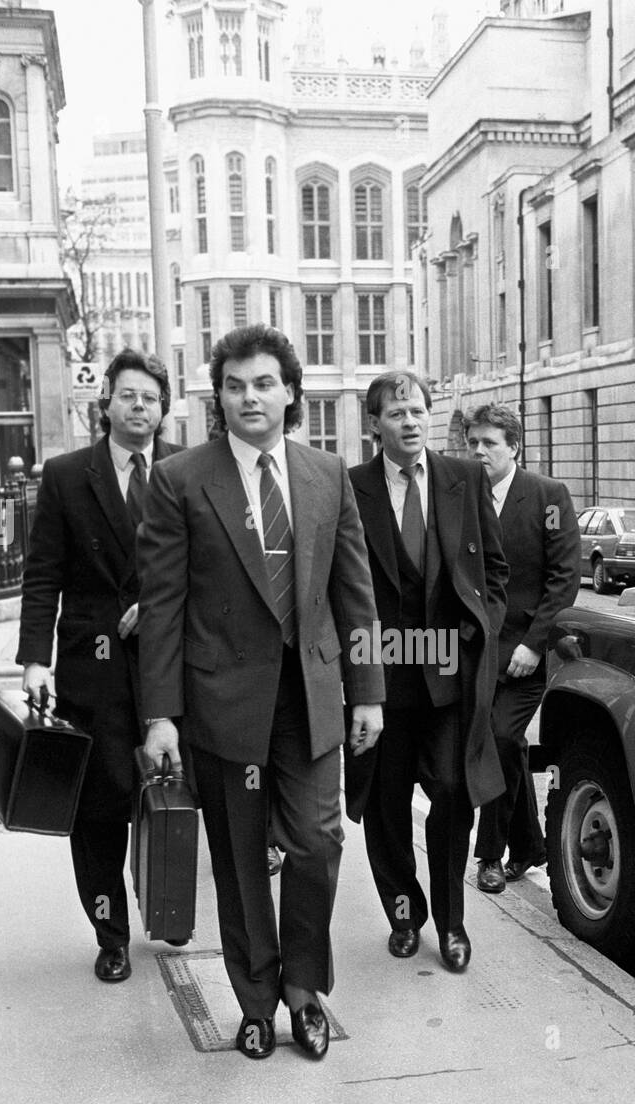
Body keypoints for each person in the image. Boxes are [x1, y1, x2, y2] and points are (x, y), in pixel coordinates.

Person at [137, 324, 384, 1062]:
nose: (251, 397)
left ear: (290, 394)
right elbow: (162, 607)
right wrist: (160, 716)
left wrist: (367, 691)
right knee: (242, 863)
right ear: (220, 397)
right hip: (222, 708)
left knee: (316, 842)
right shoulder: (180, 479)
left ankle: (305, 991)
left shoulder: (327, 474)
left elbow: (357, 595)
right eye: (237, 385)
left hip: (310, 702)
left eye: (265, 383)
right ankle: (255, 1002)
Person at [17, 349, 182, 984]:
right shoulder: (66, 476)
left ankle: (170, 908)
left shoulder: (187, 471)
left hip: (170, 662)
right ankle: (110, 931)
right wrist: (35, 659)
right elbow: (43, 575)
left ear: (164, 409)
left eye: (151, 398)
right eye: (129, 396)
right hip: (96, 664)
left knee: (173, 792)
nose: (140, 407)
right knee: (100, 809)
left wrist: (162, 602)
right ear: (106, 403)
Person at [347, 371, 508, 972]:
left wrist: (482, 630)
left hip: (446, 666)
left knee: (450, 790)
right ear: (375, 425)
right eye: (396, 414)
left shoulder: (463, 479)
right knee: (385, 805)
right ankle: (403, 912)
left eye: (418, 411)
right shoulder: (352, 486)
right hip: (379, 673)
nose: (410, 422)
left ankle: (452, 922)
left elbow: (495, 569)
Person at [466, 404, 580, 892]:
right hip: (473, 652)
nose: (479, 451)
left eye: (489, 443)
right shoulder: (461, 496)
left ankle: (489, 855)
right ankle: (530, 844)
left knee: (499, 739)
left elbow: (565, 577)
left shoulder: (547, 496)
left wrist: (535, 644)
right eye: (473, 443)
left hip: (524, 654)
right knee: (506, 748)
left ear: (514, 447)